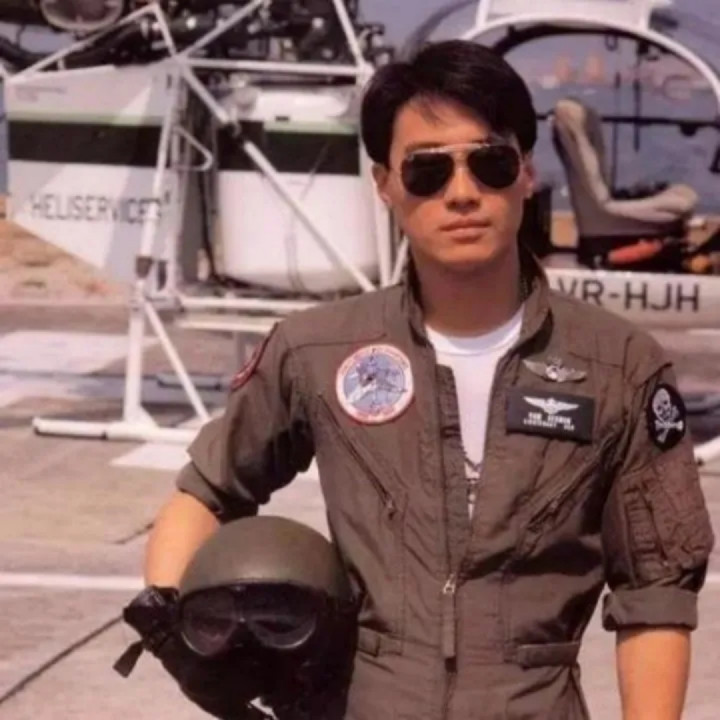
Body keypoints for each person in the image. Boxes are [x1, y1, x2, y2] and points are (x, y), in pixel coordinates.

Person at [140, 40, 715, 719]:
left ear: (527, 174)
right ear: (384, 184)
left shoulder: (618, 366)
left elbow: (655, 595)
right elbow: (209, 488)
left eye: (491, 163)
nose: (462, 193)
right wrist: (174, 631)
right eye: (427, 170)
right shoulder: (317, 350)